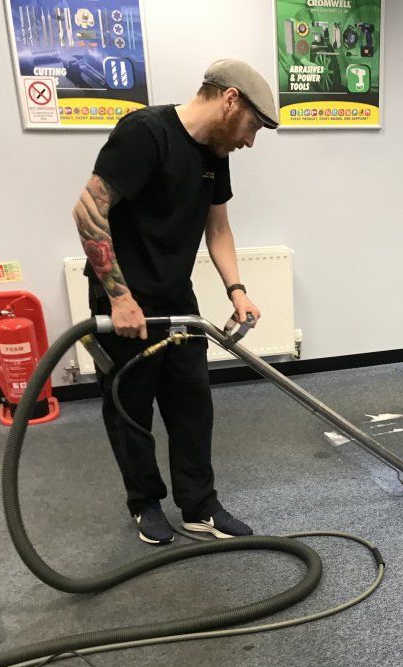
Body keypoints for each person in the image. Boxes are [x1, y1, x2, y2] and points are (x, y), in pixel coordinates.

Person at [72, 60, 279, 545]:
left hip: (177, 298)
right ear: (230, 100)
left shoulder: (215, 151)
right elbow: (87, 212)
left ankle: (199, 506)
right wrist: (119, 297)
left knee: (192, 403)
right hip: (123, 298)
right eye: (252, 126)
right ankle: (144, 502)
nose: (250, 141)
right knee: (130, 406)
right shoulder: (145, 133)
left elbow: (218, 228)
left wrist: (237, 289)